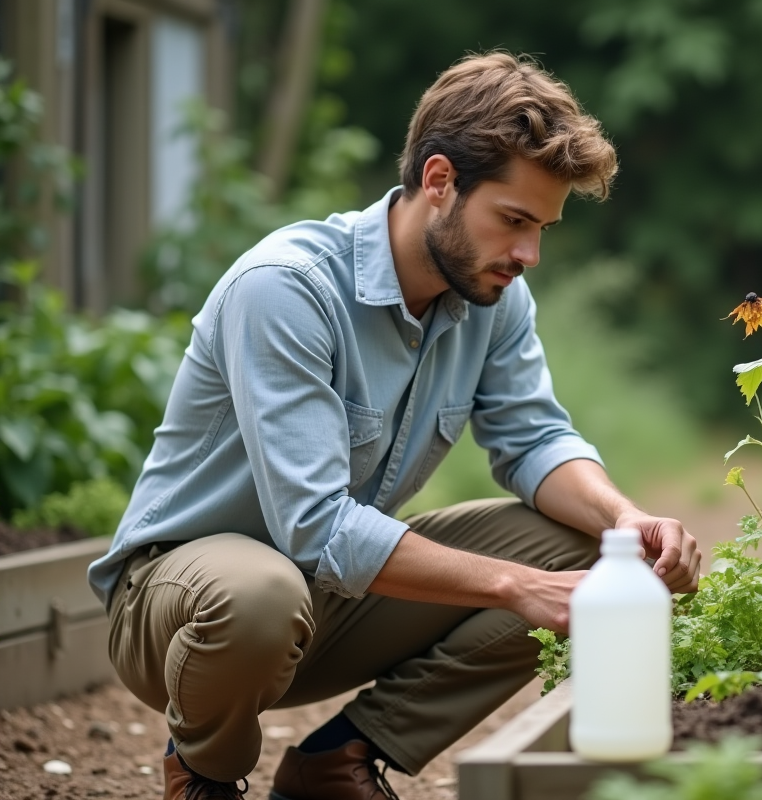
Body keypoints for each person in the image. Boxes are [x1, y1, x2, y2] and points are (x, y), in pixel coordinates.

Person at [87, 52, 702, 800]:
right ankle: (204, 772)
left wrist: (625, 520)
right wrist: (514, 586)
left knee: (588, 554)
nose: (528, 255)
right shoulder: (286, 290)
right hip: (183, 608)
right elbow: (315, 526)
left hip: (326, 598)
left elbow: (535, 440)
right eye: (513, 221)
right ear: (439, 181)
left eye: (541, 228)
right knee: (260, 595)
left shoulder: (491, 299)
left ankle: (337, 762)